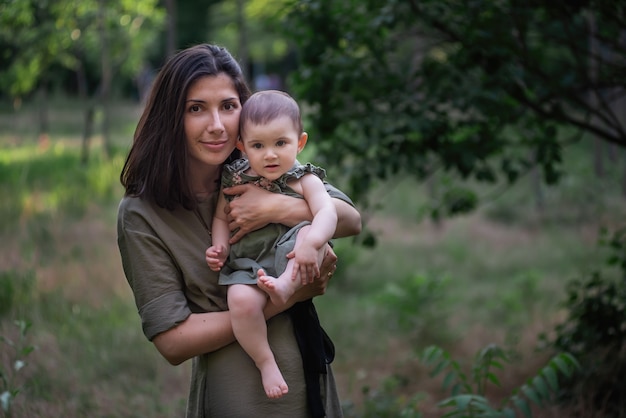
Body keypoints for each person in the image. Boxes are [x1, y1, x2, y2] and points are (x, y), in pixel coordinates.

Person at [116, 43, 361, 418]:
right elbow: (172, 341)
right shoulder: (142, 214)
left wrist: (278, 207)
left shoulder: (263, 169)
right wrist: (285, 298)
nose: (217, 125)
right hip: (237, 389)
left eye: (228, 106)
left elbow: (350, 219)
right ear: (170, 116)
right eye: (195, 108)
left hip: (308, 373)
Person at [206, 90, 338, 400]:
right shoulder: (234, 178)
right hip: (250, 264)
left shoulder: (305, 178)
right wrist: (220, 247)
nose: (270, 155)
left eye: (281, 143)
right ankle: (265, 362)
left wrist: (314, 242)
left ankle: (285, 287)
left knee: (307, 233)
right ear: (242, 146)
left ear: (300, 142)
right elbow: (221, 219)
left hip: (295, 252)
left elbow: (327, 212)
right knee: (239, 301)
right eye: (258, 145)